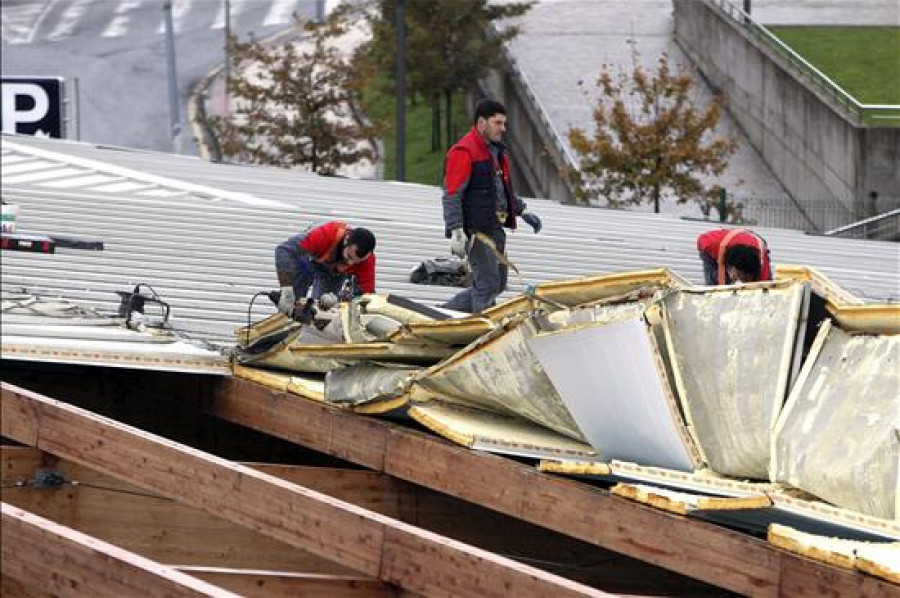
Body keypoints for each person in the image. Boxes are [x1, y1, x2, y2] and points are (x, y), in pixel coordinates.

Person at [441, 99, 543, 313]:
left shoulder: (495, 152)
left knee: (496, 284)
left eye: (504, 124)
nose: (503, 129)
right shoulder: (464, 151)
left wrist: (522, 210)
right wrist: (457, 231)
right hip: (477, 230)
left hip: (494, 227)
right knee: (487, 285)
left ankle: (444, 313)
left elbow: (500, 190)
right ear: (481, 123)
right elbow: (452, 194)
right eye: (498, 123)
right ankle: (483, 331)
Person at [274, 221, 376, 317]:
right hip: (306, 261)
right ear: (346, 240)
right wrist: (286, 288)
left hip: (333, 274)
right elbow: (284, 250)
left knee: (324, 311)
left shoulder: (367, 261)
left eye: (356, 262)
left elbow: (365, 295)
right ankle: (283, 326)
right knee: (290, 304)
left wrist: (339, 299)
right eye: (349, 256)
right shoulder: (326, 235)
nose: (350, 263)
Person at [697, 228, 772, 285]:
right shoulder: (710, 243)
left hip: (753, 245)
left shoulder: (763, 267)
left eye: (746, 278)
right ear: (731, 267)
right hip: (716, 247)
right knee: (719, 283)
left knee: (760, 287)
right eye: (741, 276)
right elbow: (701, 240)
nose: (744, 281)